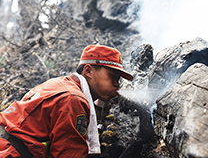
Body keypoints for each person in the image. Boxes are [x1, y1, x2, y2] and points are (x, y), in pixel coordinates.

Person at [0, 45, 133, 158]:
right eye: (112, 77)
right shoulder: (74, 99)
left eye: (119, 79)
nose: (117, 85)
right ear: (88, 71)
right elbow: (69, 154)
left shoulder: (60, 84)